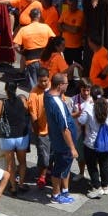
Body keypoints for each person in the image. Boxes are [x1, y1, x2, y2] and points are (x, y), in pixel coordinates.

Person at [45, 72, 81, 205]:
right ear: (60, 86)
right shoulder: (58, 104)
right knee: (59, 169)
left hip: (57, 139)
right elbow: (65, 129)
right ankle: (56, 194)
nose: (68, 84)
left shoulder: (48, 94)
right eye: (66, 83)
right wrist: (72, 148)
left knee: (65, 167)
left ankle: (65, 190)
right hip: (64, 143)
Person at [0, 81, 32, 192]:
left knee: (10, 163)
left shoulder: (2, 103)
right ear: (16, 89)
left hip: (7, 137)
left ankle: (13, 187)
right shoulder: (22, 100)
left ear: (5, 90)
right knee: (22, 162)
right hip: (21, 136)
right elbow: (26, 113)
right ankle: (22, 184)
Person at [78, 85, 108, 198]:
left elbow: (81, 120)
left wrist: (87, 103)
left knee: (92, 165)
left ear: (92, 96)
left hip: (92, 143)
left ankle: (96, 186)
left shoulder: (88, 108)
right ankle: (105, 186)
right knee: (104, 163)